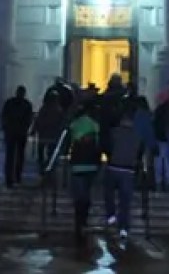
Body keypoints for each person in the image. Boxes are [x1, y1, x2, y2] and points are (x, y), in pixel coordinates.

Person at [62, 104, 101, 245]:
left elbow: (68, 143)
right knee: (86, 194)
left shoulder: (74, 125)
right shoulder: (95, 125)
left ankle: (78, 223)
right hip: (90, 165)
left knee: (78, 196)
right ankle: (84, 220)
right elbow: (98, 145)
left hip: (77, 164)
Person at [102, 109, 145, 240]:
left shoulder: (114, 133)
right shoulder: (137, 136)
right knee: (125, 201)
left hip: (114, 167)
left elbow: (107, 147)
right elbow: (139, 153)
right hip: (128, 170)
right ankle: (124, 228)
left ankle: (111, 214)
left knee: (108, 192)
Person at [0, 86, 33, 187]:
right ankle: (17, 177)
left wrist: (5, 127)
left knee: (10, 156)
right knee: (19, 156)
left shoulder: (9, 103)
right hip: (20, 133)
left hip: (11, 132)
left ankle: (9, 178)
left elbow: (4, 116)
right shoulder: (27, 104)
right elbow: (29, 119)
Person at [33, 90, 65, 177]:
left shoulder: (44, 108)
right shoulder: (59, 109)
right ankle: (48, 169)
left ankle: (43, 168)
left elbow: (38, 120)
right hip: (52, 136)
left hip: (43, 135)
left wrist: (34, 130)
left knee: (42, 153)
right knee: (50, 154)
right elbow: (61, 123)